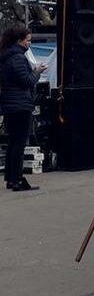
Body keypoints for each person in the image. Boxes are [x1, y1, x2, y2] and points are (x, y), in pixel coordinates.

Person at [0, 26, 47, 192]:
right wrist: (37, 72)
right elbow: (27, 81)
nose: (29, 43)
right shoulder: (18, 58)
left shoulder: (6, 57)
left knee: (13, 142)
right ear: (19, 41)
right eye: (27, 40)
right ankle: (17, 179)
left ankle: (11, 178)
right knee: (19, 143)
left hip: (9, 104)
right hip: (20, 104)